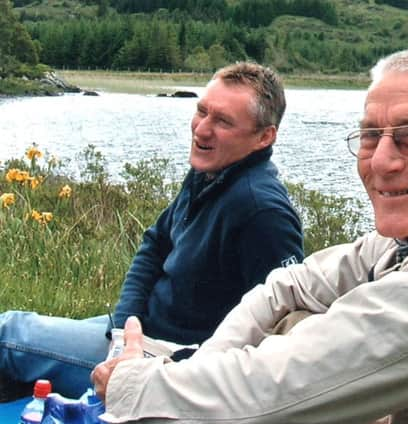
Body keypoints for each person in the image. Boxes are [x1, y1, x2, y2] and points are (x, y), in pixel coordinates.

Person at [92, 47, 408, 424]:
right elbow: (285, 286)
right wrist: (204, 361)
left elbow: (289, 385)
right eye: (369, 136)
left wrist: (137, 383)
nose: (381, 161)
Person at [0, 61, 304, 400]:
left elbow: (277, 331)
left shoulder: (262, 211)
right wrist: (124, 329)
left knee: (9, 333)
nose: (202, 129)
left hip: (172, 364)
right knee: (18, 358)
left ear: (264, 136)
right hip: (137, 336)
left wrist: (171, 367)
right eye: (202, 111)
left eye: (223, 122)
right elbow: (155, 244)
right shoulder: (211, 174)